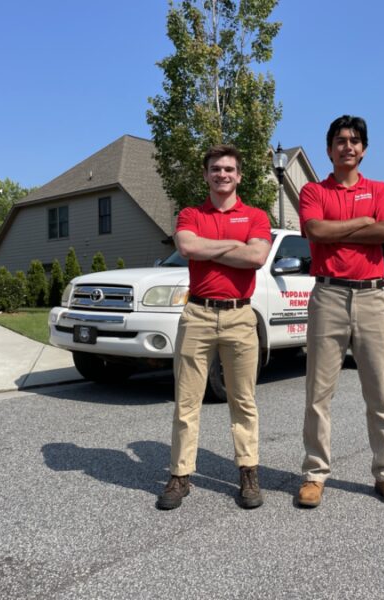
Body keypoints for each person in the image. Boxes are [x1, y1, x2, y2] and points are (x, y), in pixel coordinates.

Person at [296, 115, 384, 508]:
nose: (348, 146)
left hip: (371, 298)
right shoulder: (313, 190)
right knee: (318, 394)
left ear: (364, 149)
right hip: (328, 296)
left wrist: (341, 226)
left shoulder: (380, 189)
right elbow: (315, 231)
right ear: (328, 149)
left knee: (379, 393)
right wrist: (364, 221)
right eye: (340, 140)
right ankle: (314, 474)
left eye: (355, 140)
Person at [156, 144, 271, 510]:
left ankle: (248, 472)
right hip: (198, 316)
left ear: (239, 176)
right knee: (187, 402)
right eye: (216, 169)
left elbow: (256, 256)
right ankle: (180, 475)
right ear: (206, 175)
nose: (223, 174)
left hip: (240, 316)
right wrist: (233, 245)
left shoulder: (255, 215)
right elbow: (187, 246)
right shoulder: (190, 214)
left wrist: (214, 248)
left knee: (243, 401)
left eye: (229, 169)